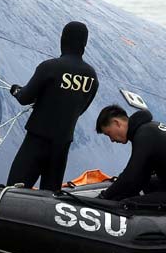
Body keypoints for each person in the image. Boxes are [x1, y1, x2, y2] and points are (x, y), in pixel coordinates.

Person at [6, 22, 98, 190]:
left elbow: (25, 98)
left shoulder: (50, 67)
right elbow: (81, 108)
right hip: (62, 145)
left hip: (37, 140)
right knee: (49, 194)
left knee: (15, 188)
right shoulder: (91, 75)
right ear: (84, 44)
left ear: (63, 39)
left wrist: (16, 90)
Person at [95, 105, 166, 207]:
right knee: (143, 186)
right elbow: (140, 177)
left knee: (127, 205)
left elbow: (130, 175)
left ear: (116, 123)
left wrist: (103, 197)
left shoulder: (144, 135)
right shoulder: (149, 128)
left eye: (109, 133)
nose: (112, 140)